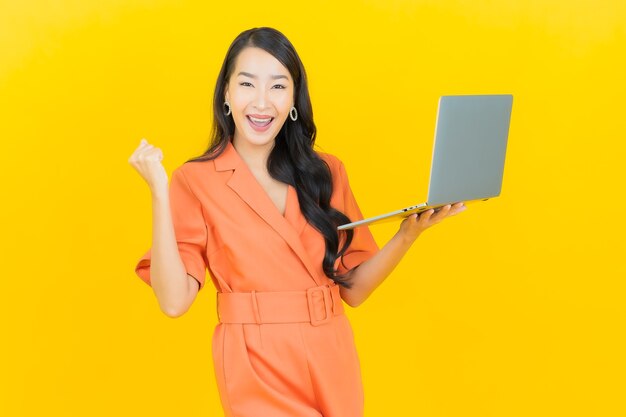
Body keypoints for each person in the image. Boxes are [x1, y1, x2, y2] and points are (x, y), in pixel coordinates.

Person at [128, 27, 465, 417]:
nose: (261, 102)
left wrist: (408, 235)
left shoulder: (325, 172)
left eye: (277, 86)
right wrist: (158, 190)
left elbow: (353, 290)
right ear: (225, 95)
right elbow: (173, 300)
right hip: (255, 361)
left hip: (331, 354)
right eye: (247, 84)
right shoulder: (196, 180)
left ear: (293, 99)